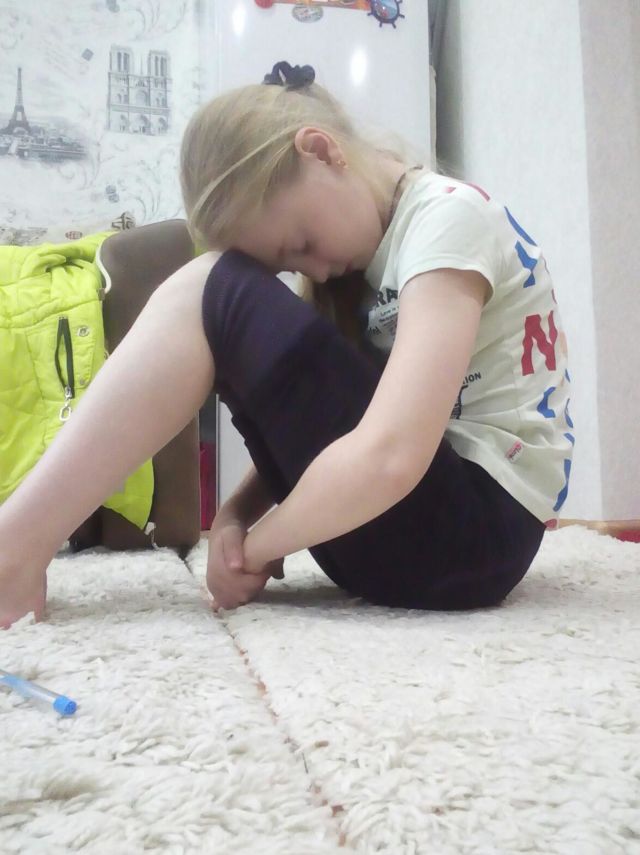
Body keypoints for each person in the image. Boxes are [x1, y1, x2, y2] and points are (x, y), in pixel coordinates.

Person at [0, 62, 574, 629]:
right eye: (293, 264)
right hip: (418, 540)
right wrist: (234, 516)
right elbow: (345, 424)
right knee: (214, 287)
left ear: (321, 151)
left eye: (301, 242)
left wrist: (256, 547)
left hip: (470, 539)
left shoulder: (447, 219)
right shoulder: (382, 251)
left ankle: (12, 549)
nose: (315, 271)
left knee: (210, 287)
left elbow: (391, 454)